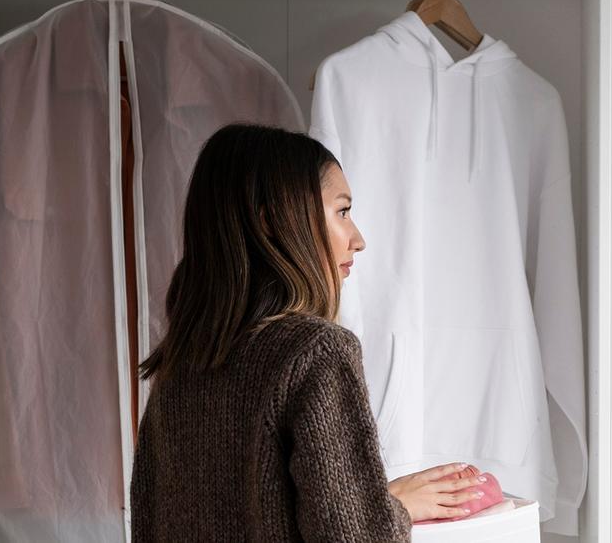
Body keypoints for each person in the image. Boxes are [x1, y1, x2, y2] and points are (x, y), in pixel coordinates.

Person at [130, 124, 485, 542]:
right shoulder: (316, 353)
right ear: (272, 221)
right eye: (342, 211)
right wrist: (388, 510)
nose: (358, 239)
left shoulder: (179, 365)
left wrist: (371, 501)